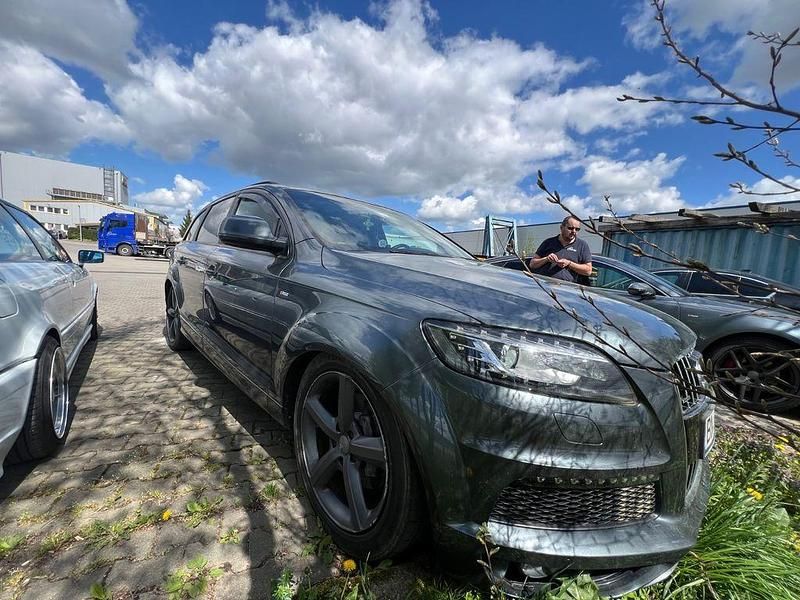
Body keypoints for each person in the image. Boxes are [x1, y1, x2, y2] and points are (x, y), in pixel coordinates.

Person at [528, 216, 592, 283]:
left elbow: (588, 271)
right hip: (545, 285)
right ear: (561, 228)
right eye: (570, 228)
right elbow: (532, 264)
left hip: (568, 287)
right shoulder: (548, 242)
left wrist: (569, 264)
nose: (574, 231)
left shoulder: (582, 245)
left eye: (577, 229)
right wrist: (546, 259)